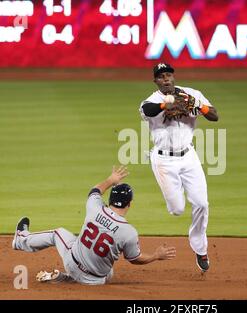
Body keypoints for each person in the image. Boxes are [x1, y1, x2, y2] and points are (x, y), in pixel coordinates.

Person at [12, 166, 176, 285]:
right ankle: (70, 279)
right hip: (97, 280)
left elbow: (95, 191)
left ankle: (20, 240)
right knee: (109, 272)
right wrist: (156, 255)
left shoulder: (95, 207)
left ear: (110, 200)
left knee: (58, 233)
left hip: (72, 262)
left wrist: (111, 180)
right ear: (129, 204)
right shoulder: (129, 232)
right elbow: (135, 259)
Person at [139, 63, 219, 272]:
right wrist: (166, 106)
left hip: (189, 157)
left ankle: (200, 249)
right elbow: (148, 110)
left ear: (173, 77)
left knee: (202, 203)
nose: (165, 79)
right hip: (163, 160)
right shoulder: (153, 100)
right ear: (155, 81)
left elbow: (214, 115)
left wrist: (198, 106)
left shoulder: (192, 94)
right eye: (161, 76)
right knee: (177, 210)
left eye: (168, 75)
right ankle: (176, 197)